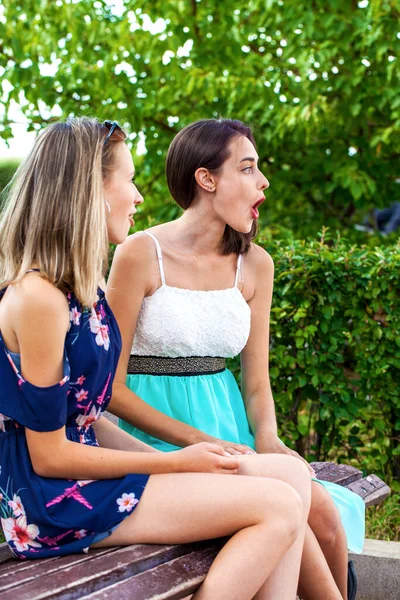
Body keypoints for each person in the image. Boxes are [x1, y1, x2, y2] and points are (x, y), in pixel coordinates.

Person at [0, 117, 312, 600]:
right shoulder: (37, 298)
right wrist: (174, 463)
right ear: (90, 192)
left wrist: (177, 462)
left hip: (90, 483)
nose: (140, 197)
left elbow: (85, 415)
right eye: (128, 180)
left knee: (290, 478)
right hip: (55, 504)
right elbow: (49, 455)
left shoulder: (83, 289)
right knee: (278, 506)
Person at [107, 118, 365, 600]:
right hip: (155, 437)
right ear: (207, 179)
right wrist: (198, 442)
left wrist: (267, 438)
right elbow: (112, 389)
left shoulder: (255, 263)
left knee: (327, 519)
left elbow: (255, 383)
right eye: (248, 169)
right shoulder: (142, 253)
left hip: (229, 431)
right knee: (302, 523)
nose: (263, 181)